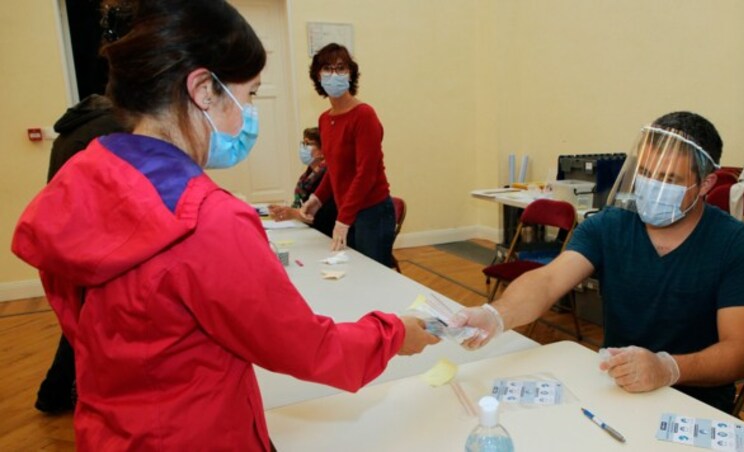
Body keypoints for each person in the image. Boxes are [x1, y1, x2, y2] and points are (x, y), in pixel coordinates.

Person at [12, 0, 438, 449]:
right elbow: (306, 347)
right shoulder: (208, 219)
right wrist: (393, 335)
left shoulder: (81, 181)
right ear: (204, 89)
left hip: (113, 428)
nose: (250, 112)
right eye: (250, 94)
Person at [453, 111, 744, 413]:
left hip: (695, 402)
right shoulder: (609, 225)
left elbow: (742, 351)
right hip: (616, 389)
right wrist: (496, 315)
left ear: (706, 184)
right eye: (645, 173)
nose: (652, 186)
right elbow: (549, 281)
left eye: (669, 178)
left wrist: (668, 368)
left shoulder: (736, 245)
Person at [34, 94, 127, 414]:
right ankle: (67, 394)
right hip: (91, 238)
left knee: (79, 319)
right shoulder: (112, 130)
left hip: (67, 235)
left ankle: (54, 393)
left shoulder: (73, 130)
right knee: (89, 322)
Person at [299, 43, 397, 267]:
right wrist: (316, 200)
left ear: (351, 74)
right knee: (350, 272)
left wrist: (344, 218)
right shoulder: (325, 119)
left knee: (372, 278)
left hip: (372, 212)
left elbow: (366, 174)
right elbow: (334, 170)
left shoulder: (363, 115)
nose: (334, 75)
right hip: (349, 210)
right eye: (327, 69)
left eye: (341, 68)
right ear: (317, 75)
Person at [269, 127, 338, 236]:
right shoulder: (308, 176)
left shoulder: (327, 177)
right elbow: (302, 206)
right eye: (303, 143)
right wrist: (285, 211)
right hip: (312, 233)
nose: (303, 148)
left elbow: (327, 219)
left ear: (323, 151)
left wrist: (294, 214)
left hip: (327, 235)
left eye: (308, 144)